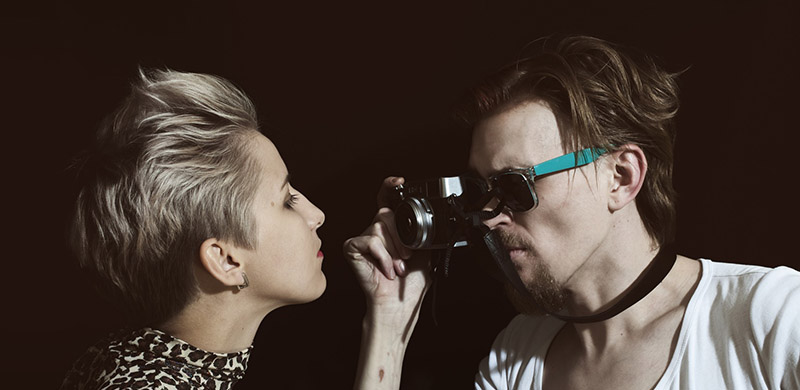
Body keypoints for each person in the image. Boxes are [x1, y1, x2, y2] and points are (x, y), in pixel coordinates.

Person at [344, 35, 800, 389]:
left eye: (514, 185)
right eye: (483, 190)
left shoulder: (773, 317)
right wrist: (387, 322)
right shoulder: (516, 357)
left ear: (620, 177)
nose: (489, 214)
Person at [62, 69, 326, 389]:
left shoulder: (138, 363)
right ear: (225, 260)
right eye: (287, 201)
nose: (316, 215)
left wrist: (388, 313)